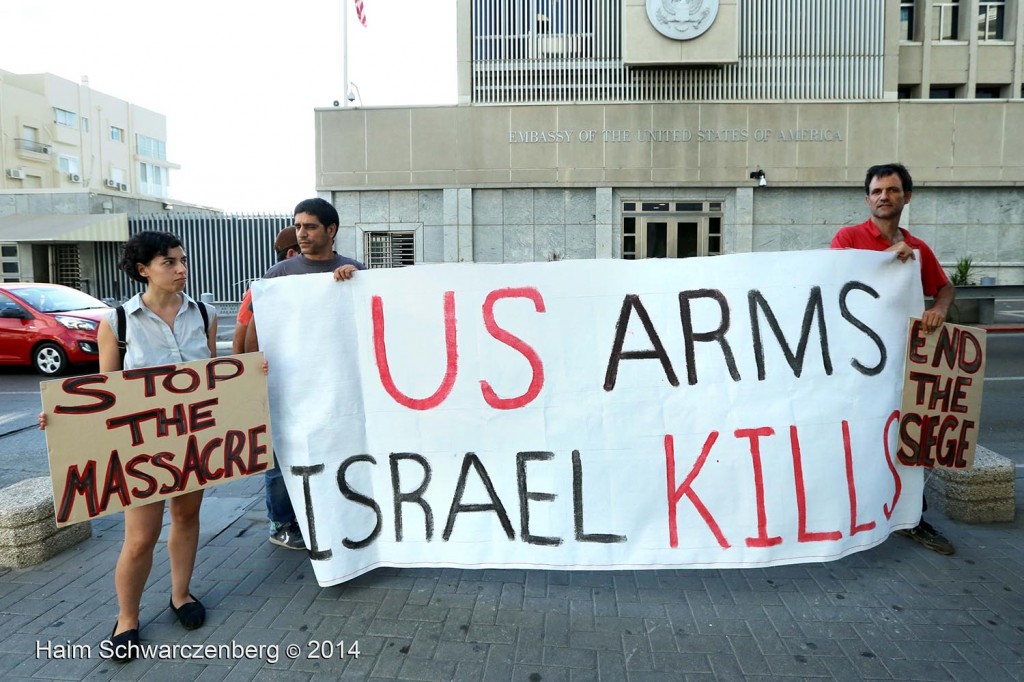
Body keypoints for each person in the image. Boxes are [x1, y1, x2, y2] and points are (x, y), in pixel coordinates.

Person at [40, 231, 218, 661]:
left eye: (182, 260)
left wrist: (250, 375)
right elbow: (106, 393)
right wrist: (64, 417)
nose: (181, 269)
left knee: (187, 515)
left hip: (193, 439)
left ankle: (181, 595)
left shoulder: (205, 314)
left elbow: (216, 378)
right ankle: (127, 617)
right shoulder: (117, 322)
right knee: (140, 537)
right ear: (143, 270)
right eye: (168, 263)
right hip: (142, 448)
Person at [831, 162, 956, 555]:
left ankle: (911, 518)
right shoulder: (848, 237)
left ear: (907, 197)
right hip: (857, 364)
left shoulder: (919, 250)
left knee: (909, 437)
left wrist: (939, 310)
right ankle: (851, 513)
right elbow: (831, 279)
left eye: (893, 190)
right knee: (859, 437)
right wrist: (885, 259)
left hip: (905, 364)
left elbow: (946, 288)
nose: (884, 196)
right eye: (877, 191)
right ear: (867, 198)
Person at [243, 198, 364, 548]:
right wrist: (251, 366)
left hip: (336, 383)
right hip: (287, 384)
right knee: (283, 457)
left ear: (331, 230)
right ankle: (282, 523)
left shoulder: (355, 270)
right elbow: (256, 327)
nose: (302, 233)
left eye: (310, 226)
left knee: (336, 450)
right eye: (298, 226)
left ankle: (334, 515)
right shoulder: (279, 275)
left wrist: (354, 285)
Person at [232, 226, 306, 550]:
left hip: (303, 385)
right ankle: (280, 522)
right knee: (278, 461)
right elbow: (241, 338)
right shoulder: (262, 292)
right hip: (273, 386)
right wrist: (247, 382)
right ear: (292, 255)